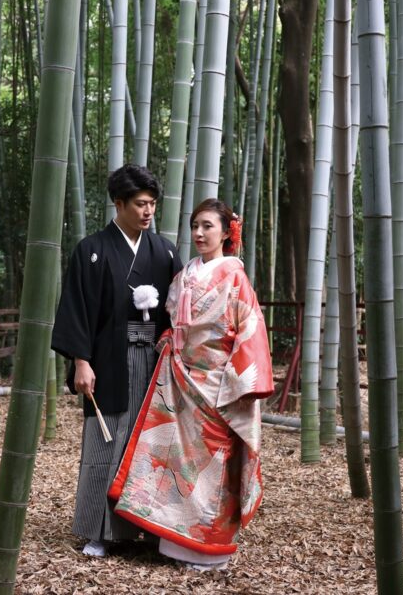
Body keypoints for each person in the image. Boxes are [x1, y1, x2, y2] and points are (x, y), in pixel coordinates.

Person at [108, 198, 274, 571]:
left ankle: (209, 548)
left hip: (216, 383)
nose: (199, 233)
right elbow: (173, 321)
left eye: (207, 227)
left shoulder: (235, 277)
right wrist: (169, 337)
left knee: (213, 464)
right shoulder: (184, 275)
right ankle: (175, 543)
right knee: (175, 460)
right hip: (179, 379)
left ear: (226, 232)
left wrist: (242, 383)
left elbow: (250, 330)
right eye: (195, 226)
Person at [52, 164, 183, 558]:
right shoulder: (91, 249)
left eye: (152, 205)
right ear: (119, 203)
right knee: (105, 442)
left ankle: (152, 530)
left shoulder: (165, 251)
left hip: (157, 363)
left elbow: (180, 310)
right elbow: (77, 311)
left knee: (153, 443)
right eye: (141, 204)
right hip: (109, 359)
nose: (148, 212)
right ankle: (99, 531)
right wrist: (81, 361)